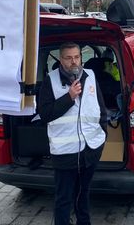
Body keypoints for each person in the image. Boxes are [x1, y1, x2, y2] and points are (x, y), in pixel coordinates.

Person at [37, 42, 108, 225]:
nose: (74, 62)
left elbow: (101, 109)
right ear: (61, 59)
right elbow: (45, 114)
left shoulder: (90, 76)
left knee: (83, 195)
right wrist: (69, 97)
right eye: (68, 58)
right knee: (64, 199)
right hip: (64, 153)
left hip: (90, 149)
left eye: (77, 57)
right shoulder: (50, 81)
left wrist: (102, 136)